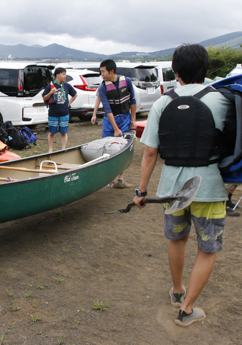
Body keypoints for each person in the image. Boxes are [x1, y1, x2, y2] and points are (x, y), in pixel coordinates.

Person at [133, 44, 231, 327]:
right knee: (207, 248)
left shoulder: (163, 102)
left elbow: (150, 152)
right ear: (207, 69)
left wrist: (141, 192)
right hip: (209, 186)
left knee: (176, 238)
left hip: (172, 189)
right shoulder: (222, 100)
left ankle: (178, 292)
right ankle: (187, 310)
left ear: (176, 72)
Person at [91, 59, 137, 188]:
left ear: (111, 71)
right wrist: (116, 129)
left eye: (103, 71)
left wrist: (133, 120)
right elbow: (107, 109)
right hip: (109, 121)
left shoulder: (126, 81)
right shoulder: (102, 88)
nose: (102, 74)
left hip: (125, 118)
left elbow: (132, 101)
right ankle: (109, 176)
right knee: (108, 147)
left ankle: (120, 176)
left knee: (122, 147)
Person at [42, 67, 78, 152]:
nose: (65, 76)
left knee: (64, 132)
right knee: (51, 132)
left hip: (64, 113)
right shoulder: (50, 86)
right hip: (53, 113)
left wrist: (69, 103)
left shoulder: (67, 85)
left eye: (65, 74)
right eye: (63, 74)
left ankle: (63, 149)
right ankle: (50, 150)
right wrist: (51, 92)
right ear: (57, 75)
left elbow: (75, 94)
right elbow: (44, 98)